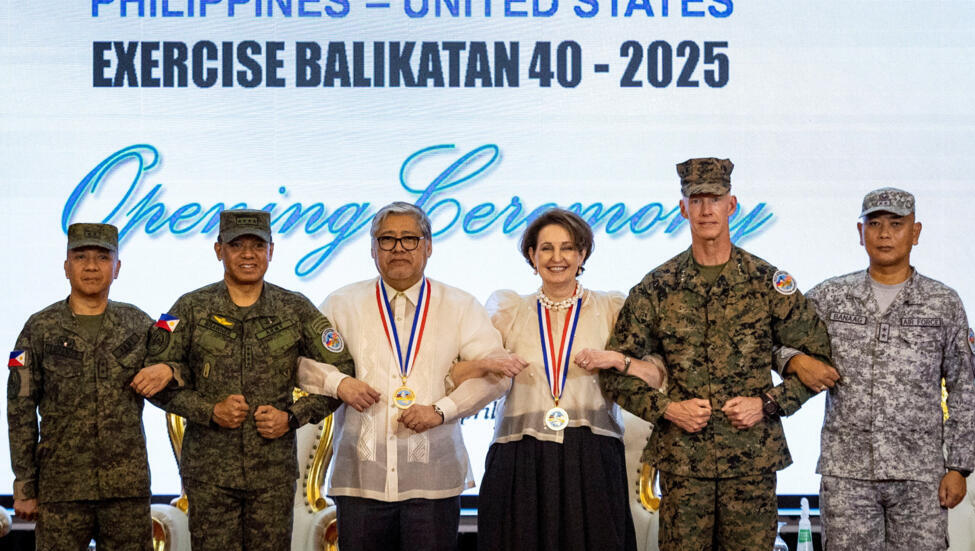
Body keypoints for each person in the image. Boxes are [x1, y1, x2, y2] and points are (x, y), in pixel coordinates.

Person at [599, 158, 834, 550]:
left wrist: (768, 403)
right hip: (684, 463)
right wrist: (668, 409)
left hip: (751, 462)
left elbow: (820, 361)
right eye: (697, 199)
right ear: (683, 208)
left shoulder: (766, 282)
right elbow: (613, 372)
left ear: (732, 204)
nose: (706, 209)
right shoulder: (658, 287)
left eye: (716, 198)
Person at [297, 201, 519, 551]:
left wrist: (442, 409)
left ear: (428, 246)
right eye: (387, 239)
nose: (398, 248)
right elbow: (303, 363)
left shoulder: (459, 305)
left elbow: (497, 374)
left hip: (432, 480)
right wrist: (340, 383)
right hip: (361, 479)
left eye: (409, 239)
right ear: (372, 249)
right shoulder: (342, 303)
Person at [451, 208, 665, 551]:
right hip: (520, 454)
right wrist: (491, 363)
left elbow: (655, 374)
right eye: (546, 248)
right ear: (532, 256)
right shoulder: (509, 309)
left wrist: (614, 359)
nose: (557, 257)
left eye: (567, 248)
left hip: (591, 455)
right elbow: (457, 372)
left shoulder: (611, 307)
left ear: (582, 254)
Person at [780, 187, 975, 550]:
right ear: (860, 233)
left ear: (915, 232)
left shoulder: (943, 302)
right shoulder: (830, 297)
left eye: (896, 224)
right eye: (874, 224)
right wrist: (795, 360)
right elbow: (778, 338)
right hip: (848, 474)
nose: (884, 234)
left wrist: (959, 467)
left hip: (919, 475)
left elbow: (964, 389)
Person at [145, 209, 354, 551]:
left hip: (271, 475)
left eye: (257, 246)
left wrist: (293, 418)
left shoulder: (295, 309)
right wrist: (209, 411)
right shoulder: (191, 307)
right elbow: (154, 377)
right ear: (218, 250)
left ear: (271, 250)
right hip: (210, 475)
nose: (247, 254)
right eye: (236, 245)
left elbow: (342, 372)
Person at [6, 223, 174, 550]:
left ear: (117, 268)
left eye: (103, 257)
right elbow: (20, 408)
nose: (92, 266)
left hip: (125, 488)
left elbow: (174, 368)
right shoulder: (38, 327)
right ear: (66, 267)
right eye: (80, 257)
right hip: (61, 488)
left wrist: (169, 368)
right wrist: (24, 483)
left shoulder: (138, 323)